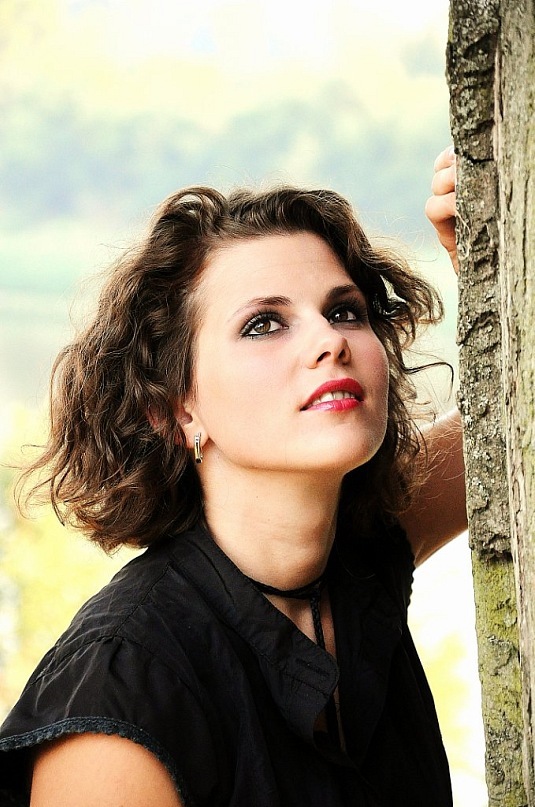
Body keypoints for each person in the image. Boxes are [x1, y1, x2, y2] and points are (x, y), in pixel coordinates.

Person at [0, 147, 462, 806]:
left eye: (344, 311)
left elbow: (511, 417)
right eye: (263, 324)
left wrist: (483, 257)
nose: (329, 341)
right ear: (176, 408)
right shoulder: (120, 699)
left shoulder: (361, 555)